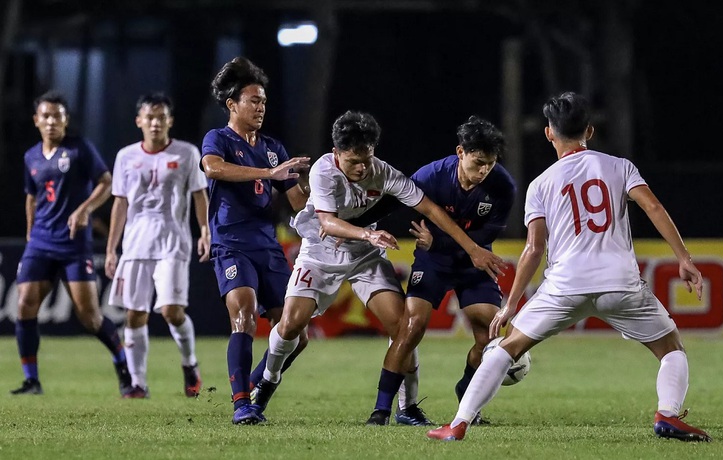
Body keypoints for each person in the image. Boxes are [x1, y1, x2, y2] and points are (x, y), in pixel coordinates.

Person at [427, 91, 711, 442]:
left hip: (564, 286)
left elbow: (534, 248)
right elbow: (653, 208)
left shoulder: (541, 184)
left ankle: (459, 423)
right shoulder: (620, 166)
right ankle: (667, 414)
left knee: (505, 347)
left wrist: (511, 304)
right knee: (671, 349)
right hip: (619, 283)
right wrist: (684, 258)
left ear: (549, 133)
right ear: (589, 131)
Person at [253, 110, 506, 426]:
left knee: (404, 327)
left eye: (366, 160)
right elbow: (327, 222)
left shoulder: (384, 173)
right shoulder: (323, 170)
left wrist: (471, 248)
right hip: (319, 256)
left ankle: (407, 407)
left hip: (364, 258)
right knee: (291, 325)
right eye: (352, 161)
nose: (360, 168)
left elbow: (429, 207)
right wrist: (368, 233)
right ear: (336, 154)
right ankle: (266, 382)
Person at [348, 115, 516, 426]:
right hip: (433, 261)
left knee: (489, 335)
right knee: (410, 327)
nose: (484, 171)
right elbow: (390, 203)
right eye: (478, 162)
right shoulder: (431, 175)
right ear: (460, 152)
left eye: (490, 164)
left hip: (471, 262)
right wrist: (347, 224)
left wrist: (436, 241)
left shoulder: (502, 186)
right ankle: (382, 410)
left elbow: (484, 239)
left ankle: (467, 394)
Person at [200, 57, 311, 425]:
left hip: (268, 246)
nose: (261, 107)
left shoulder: (273, 148)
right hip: (231, 242)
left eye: (263, 101)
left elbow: (298, 203)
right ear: (233, 105)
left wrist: (322, 182)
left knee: (297, 334)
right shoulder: (218, 139)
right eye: (253, 100)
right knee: (244, 318)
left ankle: (253, 388)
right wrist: (268, 172)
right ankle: (241, 404)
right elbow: (213, 168)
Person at [12, 90, 131, 396]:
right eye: (46, 116)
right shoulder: (31, 156)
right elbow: (31, 196)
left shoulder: (79, 150)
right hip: (40, 242)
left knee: (89, 317)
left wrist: (85, 209)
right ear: (37, 120)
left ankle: (122, 362)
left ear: (65, 120)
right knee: (24, 304)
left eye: (58, 116)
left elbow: (106, 182)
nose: (52, 121)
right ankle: (31, 380)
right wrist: (30, 231)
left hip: (74, 245)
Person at [105, 92, 210, 399]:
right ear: (139, 121)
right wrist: (111, 248)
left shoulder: (187, 153)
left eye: (161, 117)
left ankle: (190, 364)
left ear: (170, 121)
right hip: (136, 244)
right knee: (134, 315)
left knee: (171, 311)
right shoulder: (126, 156)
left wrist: (204, 231)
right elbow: (120, 204)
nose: (155, 123)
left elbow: (199, 194)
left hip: (173, 242)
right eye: (149, 117)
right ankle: (138, 383)